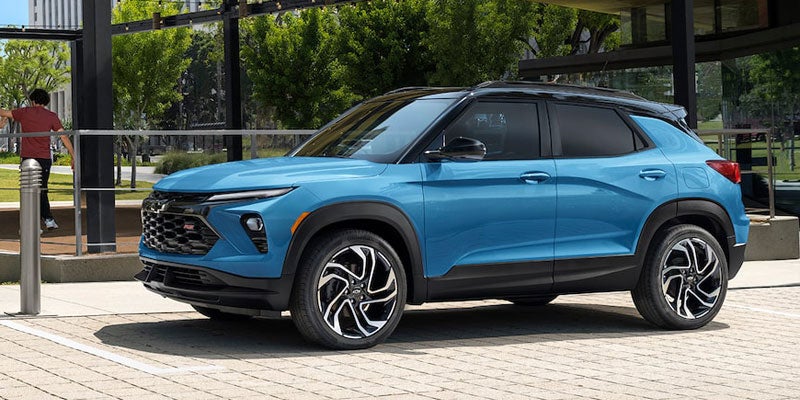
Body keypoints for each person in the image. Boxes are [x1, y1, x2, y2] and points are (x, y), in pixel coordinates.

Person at [0, 89, 75, 230]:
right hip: (44, 158)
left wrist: (4, 118)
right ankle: (48, 219)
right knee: (42, 189)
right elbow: (64, 136)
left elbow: (3, 112)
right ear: (45, 102)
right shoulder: (51, 116)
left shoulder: (24, 112)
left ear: (33, 101)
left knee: (29, 191)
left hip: (28, 158)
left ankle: (34, 223)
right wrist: (73, 156)